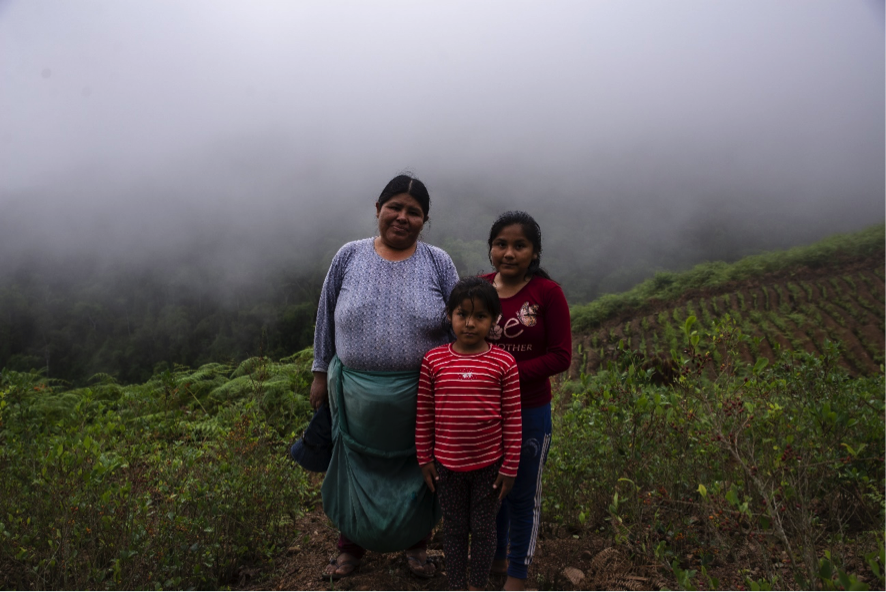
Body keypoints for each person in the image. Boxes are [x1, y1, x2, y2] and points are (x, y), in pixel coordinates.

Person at [310, 174, 459, 580]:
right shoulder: (349, 256)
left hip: (421, 396)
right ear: (378, 209)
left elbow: (459, 322)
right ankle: (349, 547)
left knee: (418, 469)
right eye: (394, 206)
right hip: (354, 396)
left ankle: (417, 547)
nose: (402, 217)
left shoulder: (438, 262)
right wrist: (320, 371)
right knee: (354, 466)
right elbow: (326, 315)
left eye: (414, 212)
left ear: (424, 221)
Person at [481, 211, 572, 592]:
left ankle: (517, 576)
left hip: (530, 410)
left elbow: (560, 356)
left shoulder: (547, 294)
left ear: (534, 252)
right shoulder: (479, 288)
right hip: (486, 413)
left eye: (520, 245)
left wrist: (505, 369)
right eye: (501, 243)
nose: (509, 252)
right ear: (490, 248)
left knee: (522, 494)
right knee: (492, 494)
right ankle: (497, 559)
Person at [416, 277, 522, 592]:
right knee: (455, 529)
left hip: (490, 465)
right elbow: (424, 414)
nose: (470, 323)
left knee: (484, 529)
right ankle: (457, 584)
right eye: (463, 314)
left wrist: (510, 466)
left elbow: (513, 418)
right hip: (446, 466)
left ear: (494, 320)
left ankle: (476, 586)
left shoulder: (504, 363)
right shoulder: (433, 361)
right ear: (449, 316)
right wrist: (424, 458)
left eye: (480, 316)